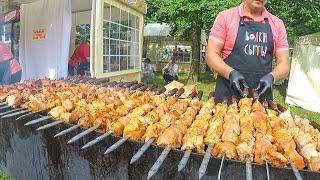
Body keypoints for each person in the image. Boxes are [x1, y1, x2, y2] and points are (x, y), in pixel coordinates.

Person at [206, 0, 289, 103]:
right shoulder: (225, 17)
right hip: (227, 100)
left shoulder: (277, 24)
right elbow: (211, 54)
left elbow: (284, 62)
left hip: (261, 103)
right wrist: (230, 73)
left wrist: (273, 77)